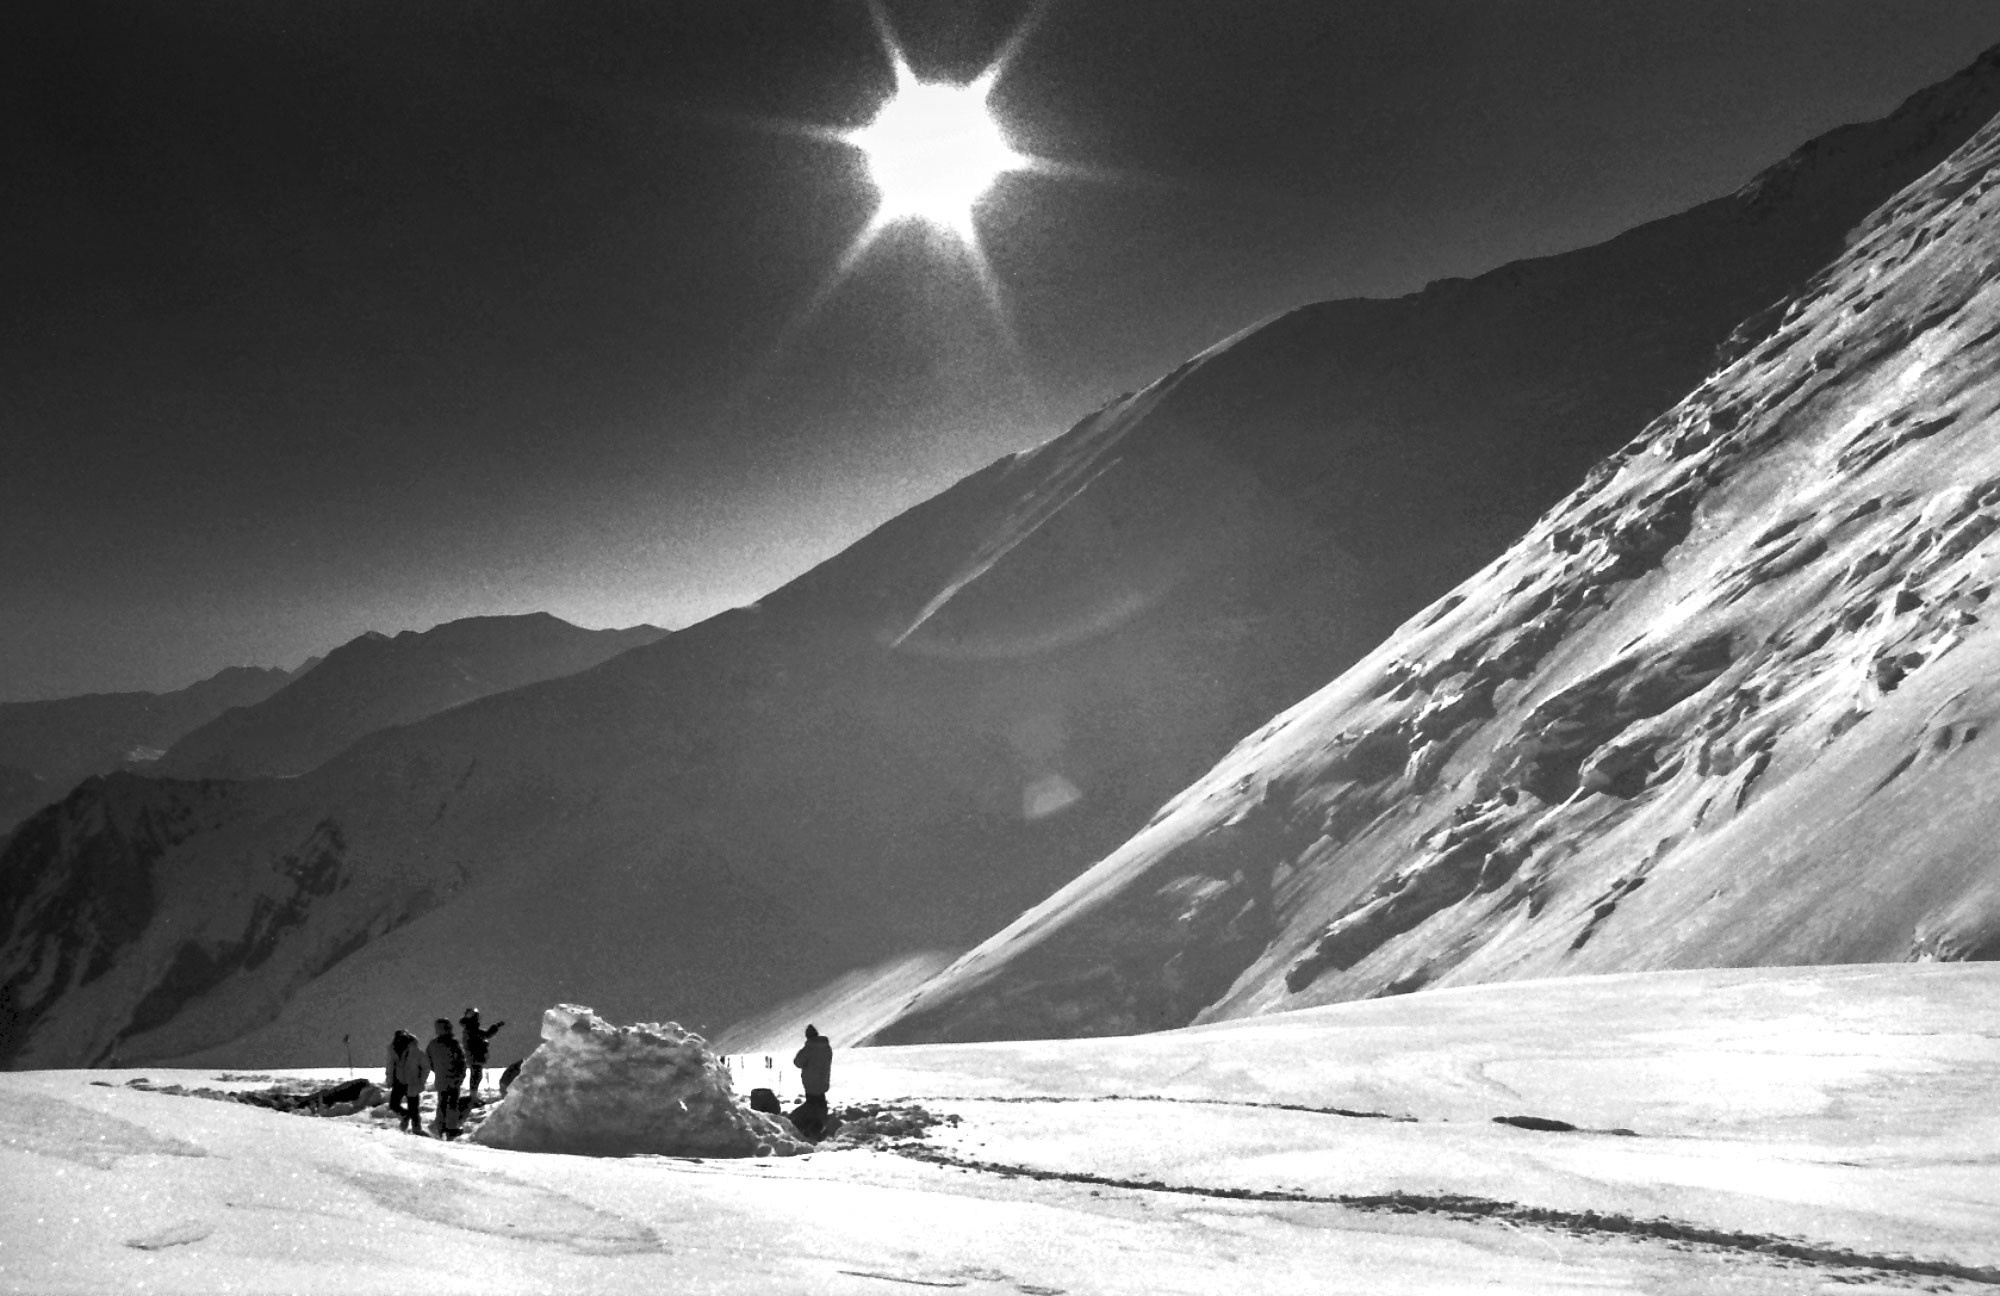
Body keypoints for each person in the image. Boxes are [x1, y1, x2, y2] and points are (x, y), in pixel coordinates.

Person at [426, 1017, 468, 1139]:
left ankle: (440, 1127)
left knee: (442, 1103)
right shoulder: (453, 1043)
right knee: (453, 1104)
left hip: (441, 1079)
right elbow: (461, 1062)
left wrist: (438, 1071)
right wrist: (460, 1075)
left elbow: (428, 1061)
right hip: (454, 1079)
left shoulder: (433, 1044)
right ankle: (451, 1129)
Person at [383, 1028, 430, 1134]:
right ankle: (406, 1116)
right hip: (398, 1082)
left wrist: (421, 1081)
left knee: (414, 1108)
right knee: (394, 1105)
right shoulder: (393, 1050)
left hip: (412, 1083)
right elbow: (390, 1066)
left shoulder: (415, 1051)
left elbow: (426, 1066)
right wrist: (389, 1080)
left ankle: (416, 1128)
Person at [791, 1025, 833, 1137]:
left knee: (812, 1106)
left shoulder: (808, 1049)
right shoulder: (826, 1047)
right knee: (820, 1104)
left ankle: (812, 1128)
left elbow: (798, 1062)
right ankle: (820, 1126)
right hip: (823, 1080)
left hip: (810, 1082)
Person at [459, 1008, 505, 1104]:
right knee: (476, 1076)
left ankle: (473, 1097)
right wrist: (496, 1026)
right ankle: (472, 1098)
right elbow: (486, 1034)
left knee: (476, 1075)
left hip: (473, 1057)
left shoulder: (468, 1029)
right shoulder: (472, 1030)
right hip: (476, 1057)